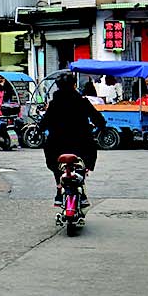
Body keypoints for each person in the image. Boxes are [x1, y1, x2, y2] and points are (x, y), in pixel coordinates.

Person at [38, 71, 108, 207]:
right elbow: (99, 120)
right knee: (87, 156)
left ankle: (59, 188)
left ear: (58, 87)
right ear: (74, 85)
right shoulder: (82, 102)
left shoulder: (53, 104)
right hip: (81, 143)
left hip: (56, 145)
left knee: (55, 163)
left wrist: (39, 129)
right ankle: (81, 188)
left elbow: (44, 123)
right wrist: (100, 127)